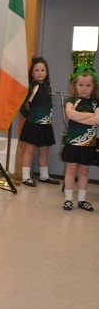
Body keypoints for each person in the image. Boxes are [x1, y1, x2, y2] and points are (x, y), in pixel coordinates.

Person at [61, 66, 99, 212]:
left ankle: (82, 200)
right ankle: (68, 199)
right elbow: (70, 115)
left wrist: (79, 117)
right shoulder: (71, 101)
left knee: (84, 171)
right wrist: (91, 116)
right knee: (71, 170)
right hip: (73, 142)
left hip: (88, 144)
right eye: (81, 85)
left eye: (88, 85)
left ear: (93, 86)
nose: (84, 89)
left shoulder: (96, 102)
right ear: (75, 85)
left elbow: (97, 120)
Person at [19, 56, 60, 186]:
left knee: (44, 150)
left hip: (46, 124)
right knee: (30, 149)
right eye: (37, 70)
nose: (40, 72)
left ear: (46, 72)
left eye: (43, 70)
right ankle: (25, 177)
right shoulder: (31, 87)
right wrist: (28, 116)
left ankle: (44, 176)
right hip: (34, 124)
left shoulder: (47, 87)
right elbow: (21, 104)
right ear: (32, 73)